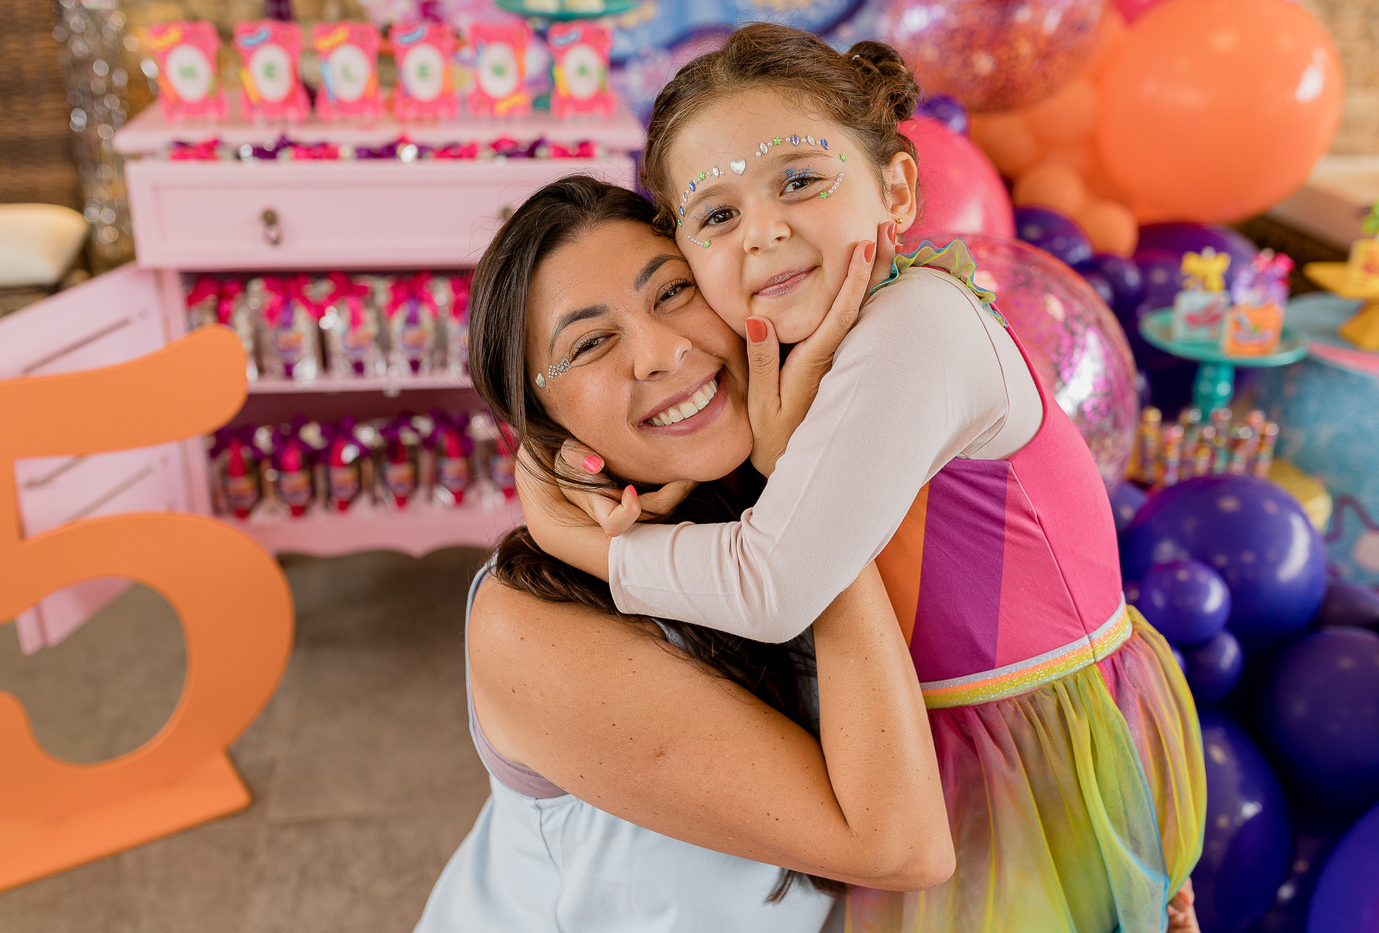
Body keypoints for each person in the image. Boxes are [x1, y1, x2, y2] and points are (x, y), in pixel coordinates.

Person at [518, 24, 1205, 933]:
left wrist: (593, 546)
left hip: (1029, 745)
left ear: (897, 188)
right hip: (949, 735)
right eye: (716, 215)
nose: (764, 231)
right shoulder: (821, 346)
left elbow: (773, 583)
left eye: (800, 179)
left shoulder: (917, 326)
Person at [412, 176, 952, 933]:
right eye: (589, 344)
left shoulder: (790, 473)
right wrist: (810, 495)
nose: (663, 352)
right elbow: (898, 848)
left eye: (673, 292)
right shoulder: (527, 631)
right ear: (543, 420)